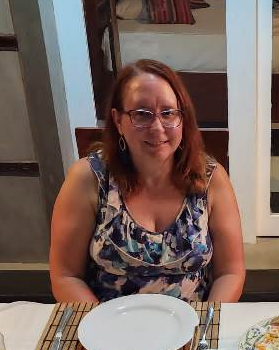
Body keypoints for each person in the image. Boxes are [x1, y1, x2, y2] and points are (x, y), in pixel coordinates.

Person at [50, 59, 245, 303]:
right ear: (118, 120)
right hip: (108, 320)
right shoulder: (87, 178)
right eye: (142, 114)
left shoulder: (211, 178)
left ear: (183, 119)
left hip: (193, 321)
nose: (157, 127)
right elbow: (66, 276)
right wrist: (100, 323)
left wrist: (206, 321)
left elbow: (230, 273)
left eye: (168, 113)